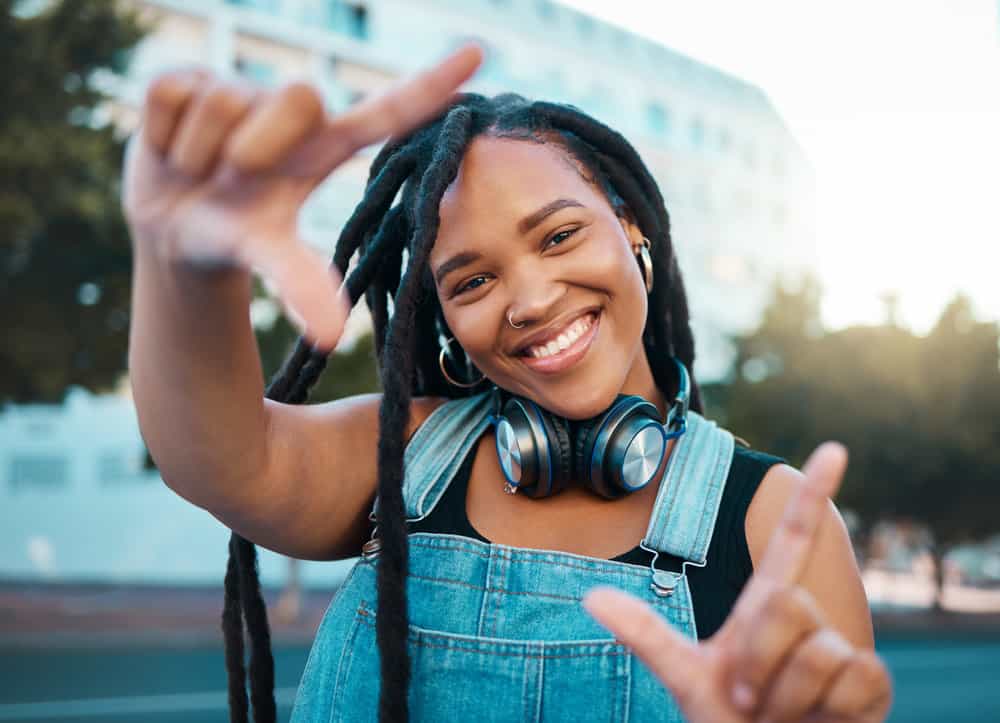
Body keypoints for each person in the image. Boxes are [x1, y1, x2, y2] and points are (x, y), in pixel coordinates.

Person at [123, 44, 891, 723]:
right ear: (445, 320)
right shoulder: (404, 453)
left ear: (632, 229)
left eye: (560, 235)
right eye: (473, 280)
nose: (528, 301)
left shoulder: (776, 519)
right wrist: (187, 271)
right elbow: (216, 456)